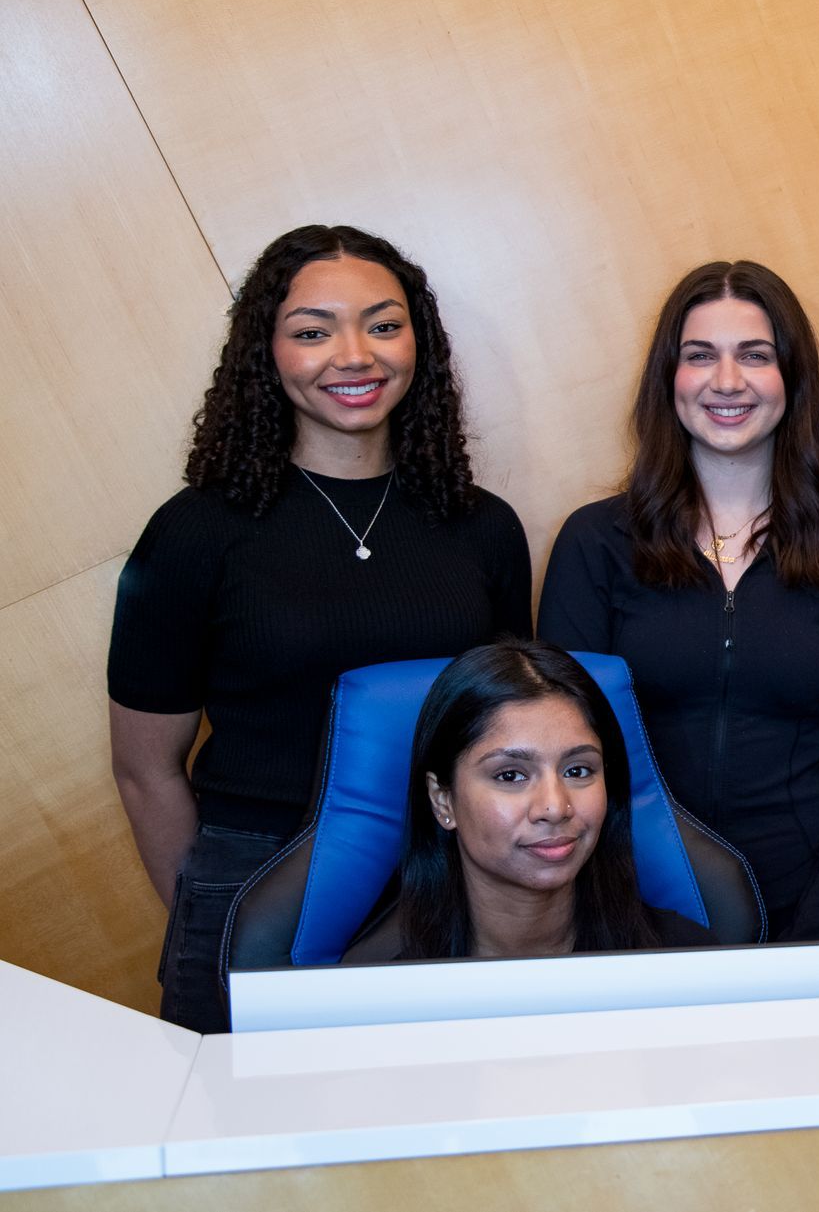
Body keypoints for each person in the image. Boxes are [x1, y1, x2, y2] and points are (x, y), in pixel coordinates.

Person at [108, 225, 531, 1032]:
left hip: (442, 880)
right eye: (312, 331)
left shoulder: (484, 528)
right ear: (267, 354)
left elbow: (511, 731)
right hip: (254, 875)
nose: (355, 355)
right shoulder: (196, 532)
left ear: (420, 343)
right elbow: (143, 768)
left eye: (382, 323)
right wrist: (217, 917)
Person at [538, 261, 819, 941]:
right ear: (669, 380)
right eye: (700, 355)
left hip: (806, 907)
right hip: (630, 914)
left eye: (756, 356)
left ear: (791, 380)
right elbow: (562, 753)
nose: (727, 380)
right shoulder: (596, 543)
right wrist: (612, 910)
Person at [343, 641, 712, 961]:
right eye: (510, 776)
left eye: (578, 771)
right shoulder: (377, 989)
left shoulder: (684, 961)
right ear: (443, 802)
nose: (554, 807)